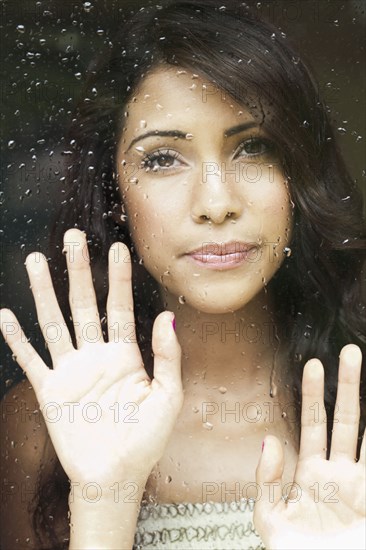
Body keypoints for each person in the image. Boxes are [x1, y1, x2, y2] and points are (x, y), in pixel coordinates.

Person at [1, 1, 365, 549]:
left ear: (298, 178)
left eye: (255, 147)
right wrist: (106, 499)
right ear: (115, 192)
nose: (216, 203)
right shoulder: (44, 426)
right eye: (162, 159)